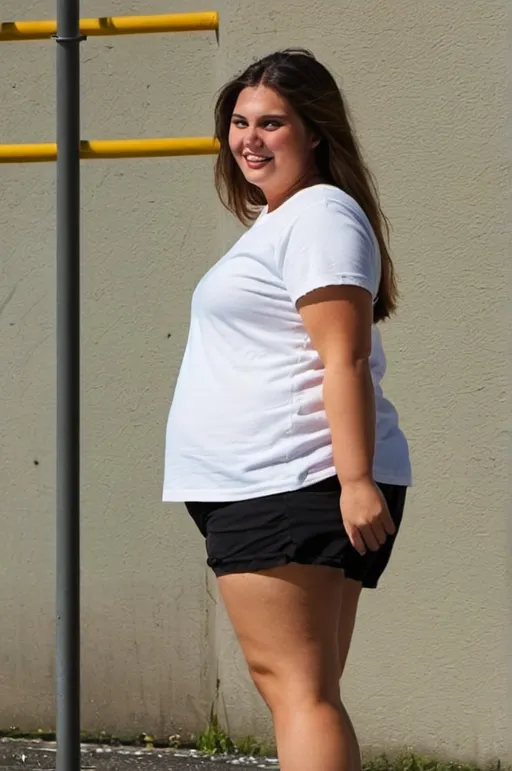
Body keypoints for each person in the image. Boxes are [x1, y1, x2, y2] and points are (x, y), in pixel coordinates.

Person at [162, 48, 412, 771]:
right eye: (239, 122)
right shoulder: (287, 220)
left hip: (291, 481)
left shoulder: (319, 216)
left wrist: (357, 479)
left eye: (272, 122)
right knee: (309, 689)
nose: (249, 138)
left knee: (296, 689)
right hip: (275, 483)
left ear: (315, 133)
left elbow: (346, 357)